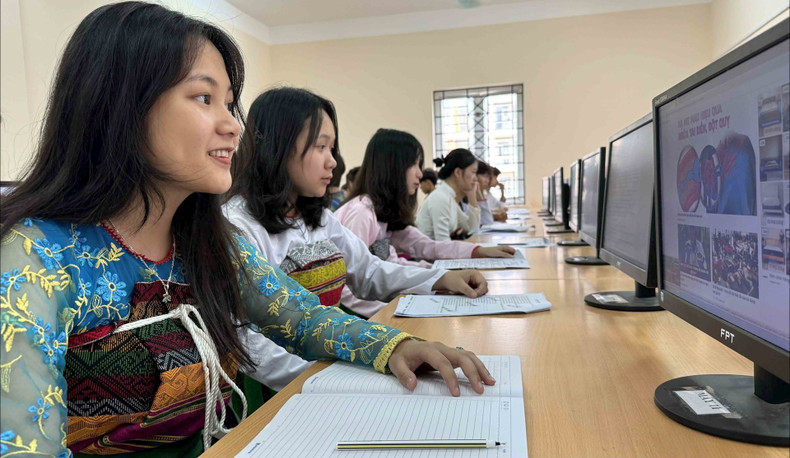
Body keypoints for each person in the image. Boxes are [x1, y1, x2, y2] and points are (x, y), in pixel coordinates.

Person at [0, 4, 494, 456]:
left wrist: (395, 348)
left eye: (229, 103)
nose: (233, 125)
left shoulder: (207, 242)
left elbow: (302, 319)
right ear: (119, 106)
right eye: (203, 97)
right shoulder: (35, 258)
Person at [223, 87, 492, 384]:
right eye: (320, 147)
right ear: (278, 147)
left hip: (334, 359)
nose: (333, 162)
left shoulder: (319, 218)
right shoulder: (240, 226)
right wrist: (336, 376)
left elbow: (368, 271)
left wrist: (439, 279)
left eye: (332, 148)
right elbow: (248, 341)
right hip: (285, 384)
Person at [334, 128, 515, 312]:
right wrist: (391, 311)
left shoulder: (384, 213)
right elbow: (346, 288)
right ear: (392, 166)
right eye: (414, 165)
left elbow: (422, 249)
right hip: (353, 314)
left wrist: (471, 257)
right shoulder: (361, 214)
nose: (420, 174)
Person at [416, 149, 482, 240]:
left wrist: (472, 195)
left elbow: (472, 228)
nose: (475, 178)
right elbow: (443, 244)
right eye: (473, 172)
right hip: (425, 254)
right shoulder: (440, 198)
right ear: (458, 172)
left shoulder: (449, 197)